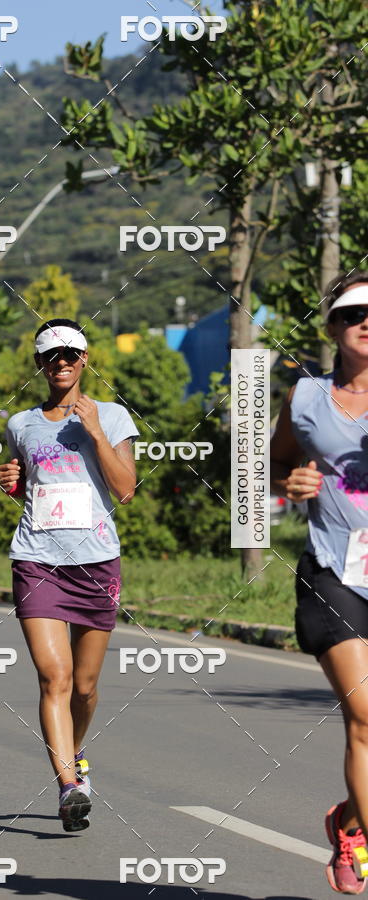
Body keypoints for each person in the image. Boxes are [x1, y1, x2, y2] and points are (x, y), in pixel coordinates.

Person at [0, 319, 138, 832]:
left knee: (84, 686)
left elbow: (125, 489)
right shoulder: (21, 423)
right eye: (51, 356)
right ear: (39, 363)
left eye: (71, 354)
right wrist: (10, 481)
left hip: (96, 563)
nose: (62, 362)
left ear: (84, 359)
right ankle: (68, 787)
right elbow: (25, 482)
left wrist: (95, 431)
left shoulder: (113, 416)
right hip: (37, 560)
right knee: (54, 677)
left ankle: (76, 755)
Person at [270, 273, 368, 893]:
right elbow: (277, 459)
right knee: (366, 717)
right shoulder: (306, 398)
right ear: (333, 326)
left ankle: (349, 822)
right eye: (354, 311)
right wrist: (290, 482)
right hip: (335, 572)